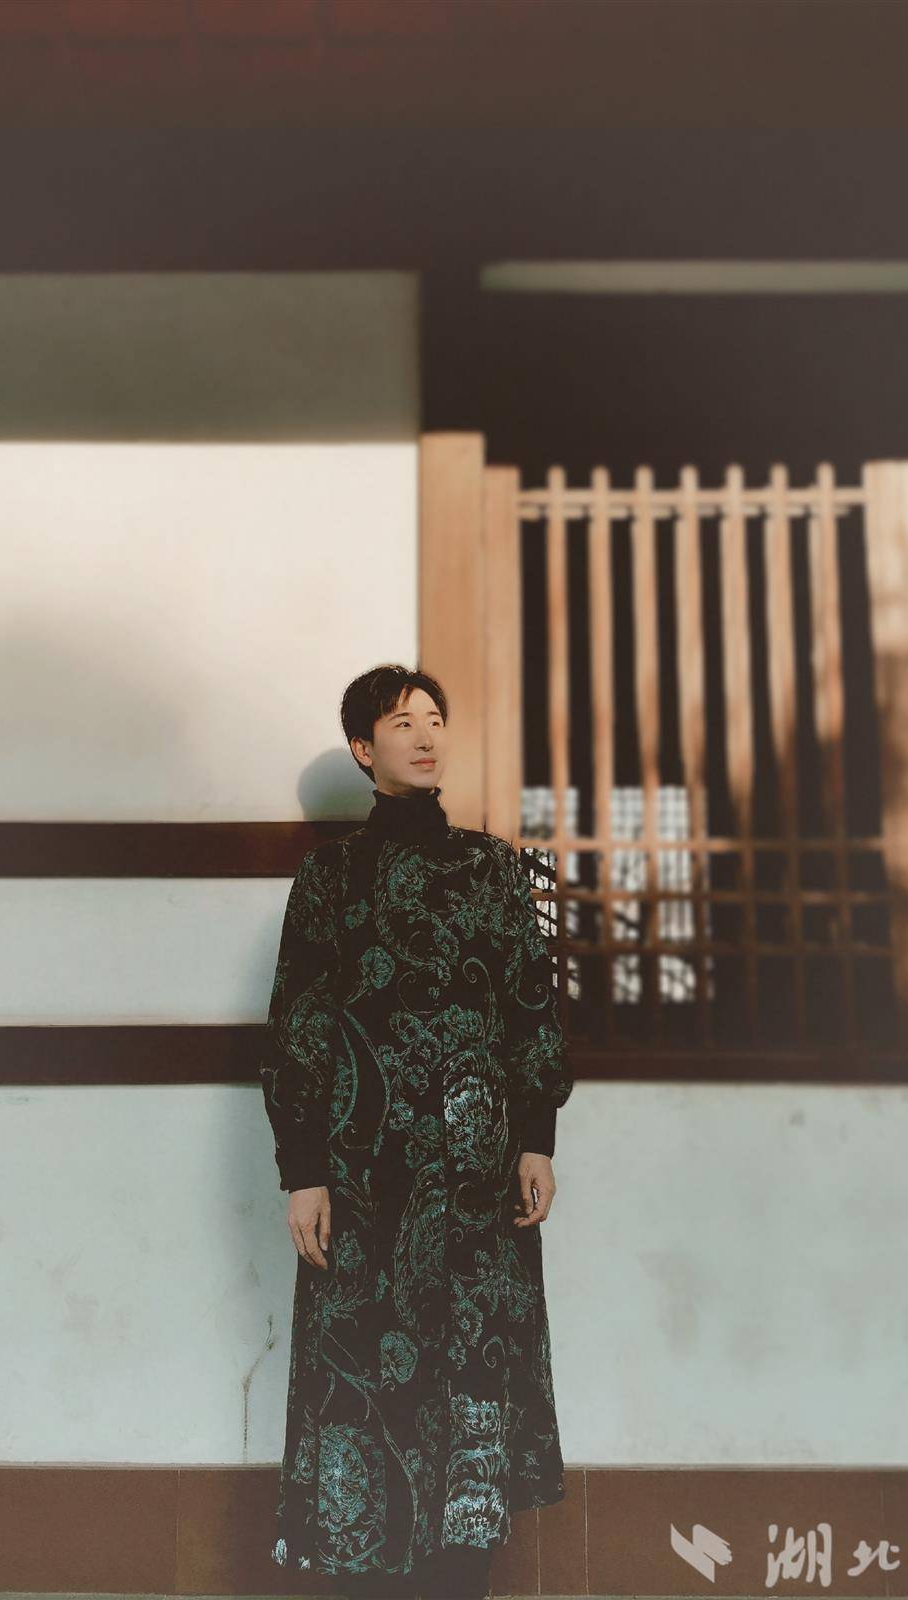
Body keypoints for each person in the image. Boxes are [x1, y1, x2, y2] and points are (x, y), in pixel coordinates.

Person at [261, 664, 574, 1600]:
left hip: (478, 1179)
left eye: (435, 719)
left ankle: (460, 1581)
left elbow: (532, 1006)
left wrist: (537, 1137)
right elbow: (300, 1026)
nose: (426, 735)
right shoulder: (330, 879)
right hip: (364, 1181)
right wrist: (303, 1171)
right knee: (364, 1377)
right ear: (364, 749)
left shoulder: (496, 869)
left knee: (475, 1373)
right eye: (403, 723)